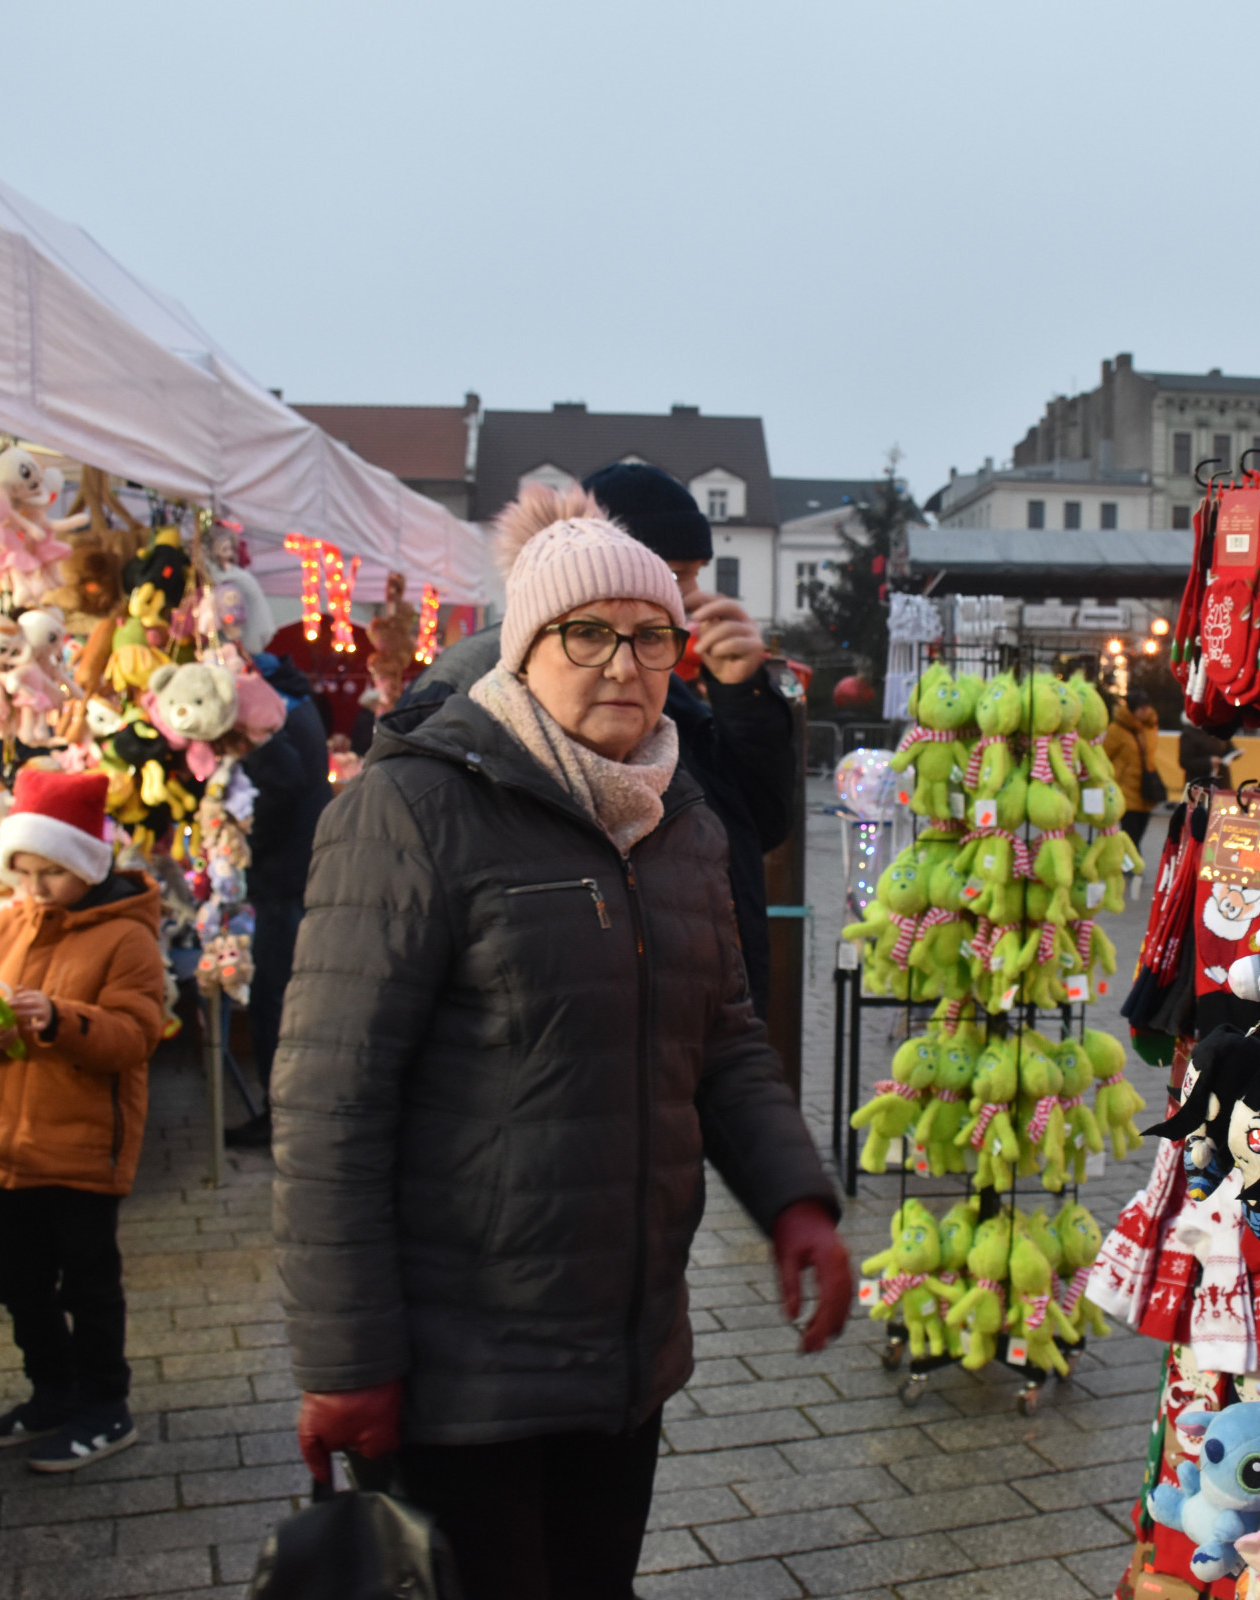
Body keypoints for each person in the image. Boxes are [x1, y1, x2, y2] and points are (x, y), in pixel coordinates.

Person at [274, 494, 849, 1598]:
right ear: (526, 647)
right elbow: (332, 1104)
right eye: (587, 634)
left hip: (623, 1349)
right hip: (459, 1369)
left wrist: (795, 1200)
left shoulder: (678, 816)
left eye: (651, 636)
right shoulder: (415, 809)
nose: (624, 665)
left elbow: (725, 1039)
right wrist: (347, 1360)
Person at [389, 462, 797, 1016]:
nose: (695, 598)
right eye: (677, 575)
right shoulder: (474, 682)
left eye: (697, 575)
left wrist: (742, 694)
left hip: (666, 1015)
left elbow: (752, 823)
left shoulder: (657, 686)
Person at [0, 765, 167, 1472]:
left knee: (89, 1285)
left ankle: (106, 1405)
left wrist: (60, 1019)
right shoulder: (7, 923)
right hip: (10, 1143)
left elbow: (135, 1035)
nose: (35, 888)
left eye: (52, 874)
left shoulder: (125, 938)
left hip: (84, 1145)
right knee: (19, 1282)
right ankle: (53, 1390)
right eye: (24, 872)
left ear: (87, 867)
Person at [222, 650, 334, 1150]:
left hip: (283, 875)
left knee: (275, 996)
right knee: (288, 995)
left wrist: (247, 840)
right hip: (300, 869)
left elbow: (284, 782)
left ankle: (281, 1113)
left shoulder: (265, 707)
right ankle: (290, 1107)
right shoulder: (291, 694)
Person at [1103, 688, 1162, 848]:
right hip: (1125, 790)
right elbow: (1104, 755)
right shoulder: (1116, 730)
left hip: (1145, 790)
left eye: (1147, 706)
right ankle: (1129, 861)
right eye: (1141, 707)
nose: (1145, 711)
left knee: (1138, 835)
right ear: (1132, 709)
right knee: (1131, 836)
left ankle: (1129, 859)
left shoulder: (1150, 728)